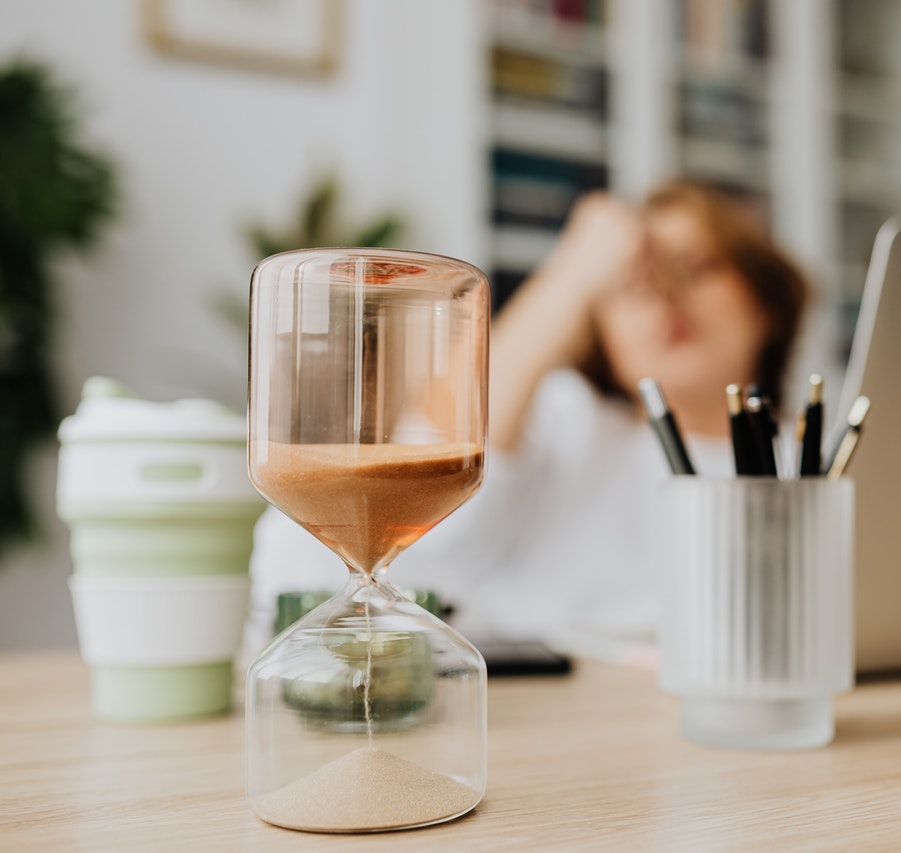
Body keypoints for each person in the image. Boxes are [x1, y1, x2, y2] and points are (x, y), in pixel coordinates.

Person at [248, 179, 810, 650]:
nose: (664, 299)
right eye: (633, 285)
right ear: (602, 340)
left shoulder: (816, 461)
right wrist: (573, 272)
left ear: (766, 299)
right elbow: (414, 477)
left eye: (697, 268)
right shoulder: (569, 422)